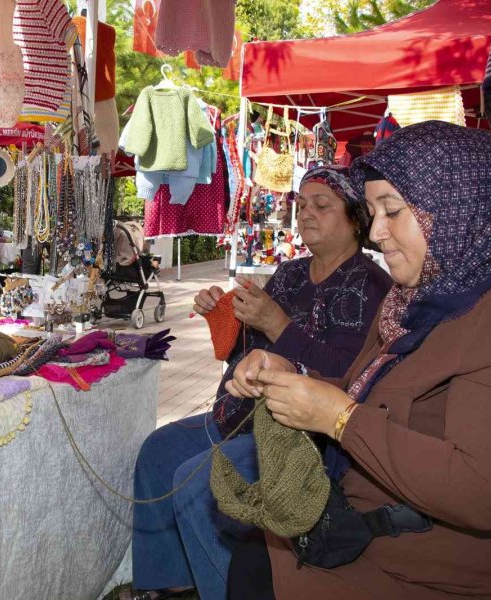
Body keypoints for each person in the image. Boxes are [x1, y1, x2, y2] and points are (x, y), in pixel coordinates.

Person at [225, 121, 491, 600]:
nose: (377, 232)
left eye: (393, 212)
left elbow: (482, 493)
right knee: (253, 549)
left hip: (460, 574)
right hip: (391, 541)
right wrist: (293, 376)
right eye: (373, 212)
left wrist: (339, 421)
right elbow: (372, 392)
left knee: (256, 562)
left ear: (459, 209)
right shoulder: (418, 298)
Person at [127, 166, 392, 600]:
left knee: (202, 483)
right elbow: (247, 349)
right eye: (301, 205)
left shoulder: (371, 287)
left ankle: (229, 588)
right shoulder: (290, 273)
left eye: (321, 205)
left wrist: (277, 322)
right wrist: (226, 315)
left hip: (299, 434)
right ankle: (171, 583)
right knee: (158, 451)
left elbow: (347, 376)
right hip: (240, 414)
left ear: (356, 218)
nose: (306, 214)